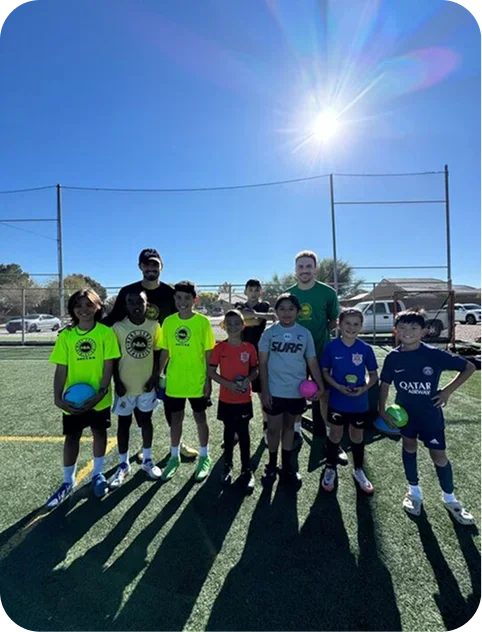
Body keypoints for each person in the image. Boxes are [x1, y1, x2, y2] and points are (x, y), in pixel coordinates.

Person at [379, 309, 476, 525]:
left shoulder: (433, 354)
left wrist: (447, 391)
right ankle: (414, 492)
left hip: (431, 416)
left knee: (438, 456)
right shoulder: (393, 357)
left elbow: (468, 367)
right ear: (396, 330)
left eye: (414, 328)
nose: (408, 332)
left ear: (424, 332)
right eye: (403, 328)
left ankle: (450, 498)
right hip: (406, 416)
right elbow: (384, 385)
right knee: (409, 447)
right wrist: (382, 410)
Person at [102, 248, 198, 460]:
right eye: (147, 265)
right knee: (139, 403)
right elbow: (113, 318)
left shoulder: (169, 293)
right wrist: (79, 326)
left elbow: (182, 318)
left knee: (171, 403)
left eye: (155, 264)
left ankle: (178, 443)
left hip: (167, 356)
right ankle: (141, 446)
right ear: (140, 267)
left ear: (161, 266)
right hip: (137, 358)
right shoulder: (129, 291)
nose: (151, 268)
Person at [46, 289, 120, 509]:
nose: (84, 310)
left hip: (98, 399)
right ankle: (67, 482)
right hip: (73, 400)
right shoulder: (67, 336)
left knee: (99, 433)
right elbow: (61, 369)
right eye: (78, 305)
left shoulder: (105, 333)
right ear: (72, 310)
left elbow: (109, 366)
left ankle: (97, 474)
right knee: (72, 438)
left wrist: (100, 393)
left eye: (89, 305)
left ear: (98, 307)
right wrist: (58, 398)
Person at [259, 293, 324, 488]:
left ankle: (286, 465)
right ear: (276, 311)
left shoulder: (304, 334)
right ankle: (271, 464)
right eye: (282, 309)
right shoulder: (269, 333)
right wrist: (265, 391)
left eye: (291, 309)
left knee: (289, 428)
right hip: (275, 390)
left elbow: (311, 361)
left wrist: (319, 384)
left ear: (297, 311)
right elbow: (262, 364)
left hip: (296, 392)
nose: (286, 313)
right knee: (272, 429)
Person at [287, 250, 347, 465]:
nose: (304, 270)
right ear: (295, 270)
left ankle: (332, 440)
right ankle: (294, 432)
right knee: (294, 394)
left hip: (321, 353)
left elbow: (333, 321)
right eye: (300, 267)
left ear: (315, 268)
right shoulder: (289, 294)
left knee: (324, 396)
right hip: (294, 356)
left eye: (308, 266)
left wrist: (319, 337)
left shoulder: (328, 293)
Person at [159, 281, 215, 482]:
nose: (182, 302)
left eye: (187, 298)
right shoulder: (168, 322)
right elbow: (165, 351)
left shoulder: (203, 323)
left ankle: (204, 456)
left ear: (194, 300)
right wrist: (158, 374)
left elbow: (209, 353)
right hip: (175, 381)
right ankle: (174, 457)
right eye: (179, 298)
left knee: (200, 419)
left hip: (197, 380)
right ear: (174, 300)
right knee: (175, 419)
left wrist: (208, 380)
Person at [109, 290, 163, 489]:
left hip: (146, 386)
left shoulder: (154, 326)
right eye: (131, 302)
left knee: (146, 421)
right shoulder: (118, 327)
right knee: (124, 424)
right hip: (125, 387)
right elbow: (114, 357)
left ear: (147, 304)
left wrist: (155, 378)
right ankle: (123, 464)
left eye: (139, 301)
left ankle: (147, 460)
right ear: (126, 306)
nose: (136, 305)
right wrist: (117, 382)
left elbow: (158, 355)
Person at [321, 308, 378, 493]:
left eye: (356, 324)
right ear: (339, 324)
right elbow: (324, 372)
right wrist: (337, 386)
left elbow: (373, 375)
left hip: (359, 402)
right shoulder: (331, 347)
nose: (351, 327)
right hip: (338, 401)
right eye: (347, 323)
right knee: (335, 434)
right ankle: (330, 467)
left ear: (361, 327)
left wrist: (364, 388)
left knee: (357, 435)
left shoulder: (366, 349)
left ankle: (359, 470)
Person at [208, 310, 258, 493]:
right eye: (229, 323)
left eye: (237, 323)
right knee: (229, 434)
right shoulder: (219, 348)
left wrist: (247, 380)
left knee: (244, 434)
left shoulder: (249, 348)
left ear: (243, 326)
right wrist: (228, 384)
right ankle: (227, 466)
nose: (233, 326)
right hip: (226, 399)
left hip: (244, 399)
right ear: (224, 326)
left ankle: (247, 470)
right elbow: (211, 372)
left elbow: (255, 371)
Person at [234, 279, 276, 442]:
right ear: (245, 292)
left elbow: (262, 319)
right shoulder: (239, 304)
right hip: (241, 354)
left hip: (260, 355)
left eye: (256, 289)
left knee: (261, 393)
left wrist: (254, 315)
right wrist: (249, 317)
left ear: (260, 292)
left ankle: (266, 428)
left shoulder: (263, 305)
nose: (253, 292)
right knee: (238, 391)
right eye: (250, 289)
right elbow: (242, 317)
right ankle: (237, 430)